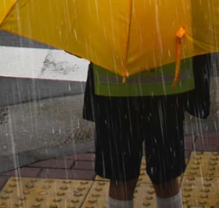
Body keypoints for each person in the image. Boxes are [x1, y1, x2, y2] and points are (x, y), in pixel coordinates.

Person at [83, 55, 212, 208]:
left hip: (115, 86)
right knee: (166, 174)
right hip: (167, 84)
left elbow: (82, 45)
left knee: (121, 176)